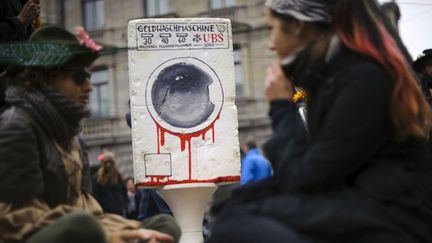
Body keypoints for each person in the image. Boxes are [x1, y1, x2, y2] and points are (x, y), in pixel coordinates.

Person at [206, 1, 432, 242]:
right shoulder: (331, 76)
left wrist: (281, 106)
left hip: (393, 219)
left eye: (273, 29)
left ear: (297, 26)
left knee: (237, 224)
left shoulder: (362, 77)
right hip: (365, 206)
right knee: (235, 210)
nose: (270, 44)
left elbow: (302, 178)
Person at [0, 25, 180, 243]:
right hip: (34, 235)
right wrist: (107, 235)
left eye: (88, 76)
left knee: (165, 225)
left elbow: (88, 209)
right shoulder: (17, 126)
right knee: (84, 227)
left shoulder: (73, 134)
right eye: (78, 77)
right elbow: (15, 220)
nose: (89, 87)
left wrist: (130, 232)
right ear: (46, 78)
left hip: (81, 229)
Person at [93, 150, 128, 217]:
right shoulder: (97, 178)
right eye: (106, 162)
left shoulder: (118, 176)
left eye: (110, 162)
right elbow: (95, 195)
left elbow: (124, 192)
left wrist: (124, 205)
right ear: (104, 164)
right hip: (106, 212)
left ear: (113, 163)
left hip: (119, 211)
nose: (108, 164)